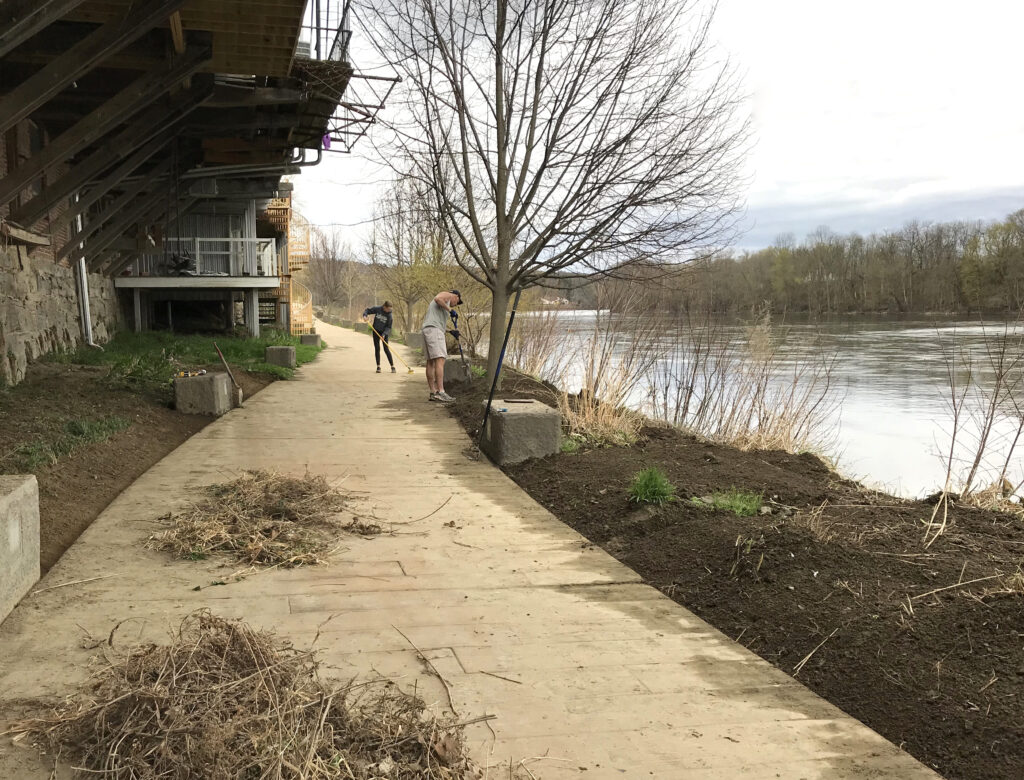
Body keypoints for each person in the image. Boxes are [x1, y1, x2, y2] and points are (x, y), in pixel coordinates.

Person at [421, 289, 461, 402]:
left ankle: (433, 392)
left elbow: (436, 322)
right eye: (458, 302)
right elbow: (437, 298)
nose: (456, 304)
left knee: (430, 362)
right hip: (434, 330)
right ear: (456, 296)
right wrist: (450, 310)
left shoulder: (443, 305)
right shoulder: (448, 295)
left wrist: (450, 331)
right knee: (440, 359)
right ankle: (441, 392)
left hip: (428, 329)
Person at [362, 301, 395, 373]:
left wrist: (384, 334)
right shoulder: (378, 309)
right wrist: (365, 316)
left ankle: (392, 366)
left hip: (384, 333)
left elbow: (389, 327)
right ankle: (378, 366)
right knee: (377, 348)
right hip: (376, 331)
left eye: (390, 309)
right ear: (384, 307)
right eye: (388, 309)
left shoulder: (390, 316)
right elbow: (367, 310)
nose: (389, 310)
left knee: (386, 349)